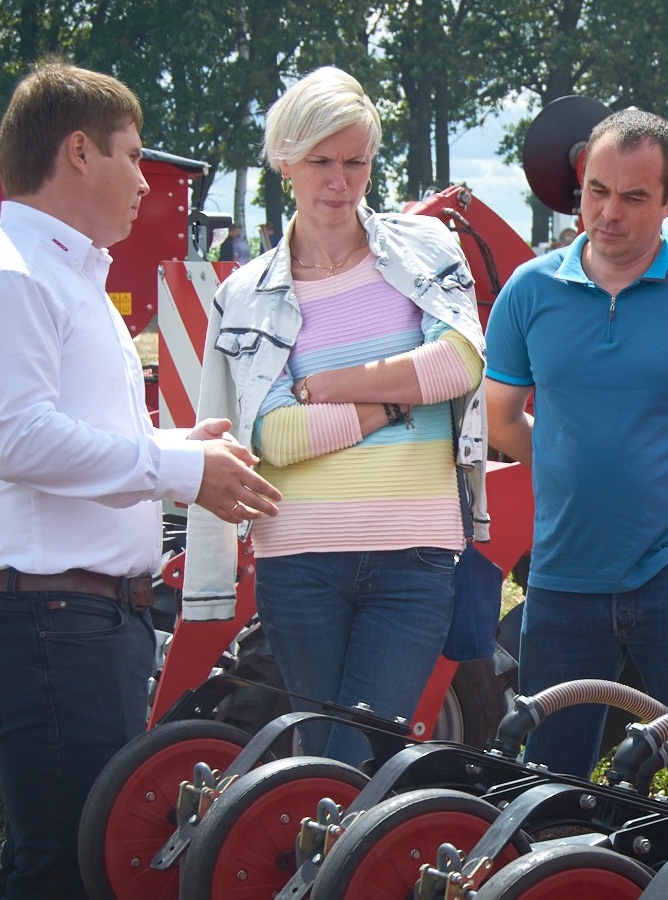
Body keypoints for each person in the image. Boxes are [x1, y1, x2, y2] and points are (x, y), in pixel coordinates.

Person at [0, 59, 281, 898]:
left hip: (68, 617)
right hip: (47, 619)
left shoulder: (55, 274)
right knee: (67, 865)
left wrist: (175, 443)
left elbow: (58, 432)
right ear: (79, 152)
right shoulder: (10, 277)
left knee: (61, 857)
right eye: (133, 153)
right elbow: (19, 440)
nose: (145, 179)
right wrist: (179, 466)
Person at [184, 66, 488, 770]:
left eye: (356, 161)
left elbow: (459, 366)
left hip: (414, 553)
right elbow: (276, 435)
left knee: (359, 752)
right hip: (299, 558)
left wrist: (333, 385)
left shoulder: (427, 251)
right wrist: (396, 398)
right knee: (325, 754)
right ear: (285, 161)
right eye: (321, 161)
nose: (339, 181)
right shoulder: (246, 294)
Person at [484, 109, 668, 799]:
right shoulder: (530, 292)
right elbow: (499, 419)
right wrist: (564, 466)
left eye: (633, 196)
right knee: (547, 791)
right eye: (596, 191)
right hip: (564, 582)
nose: (608, 213)